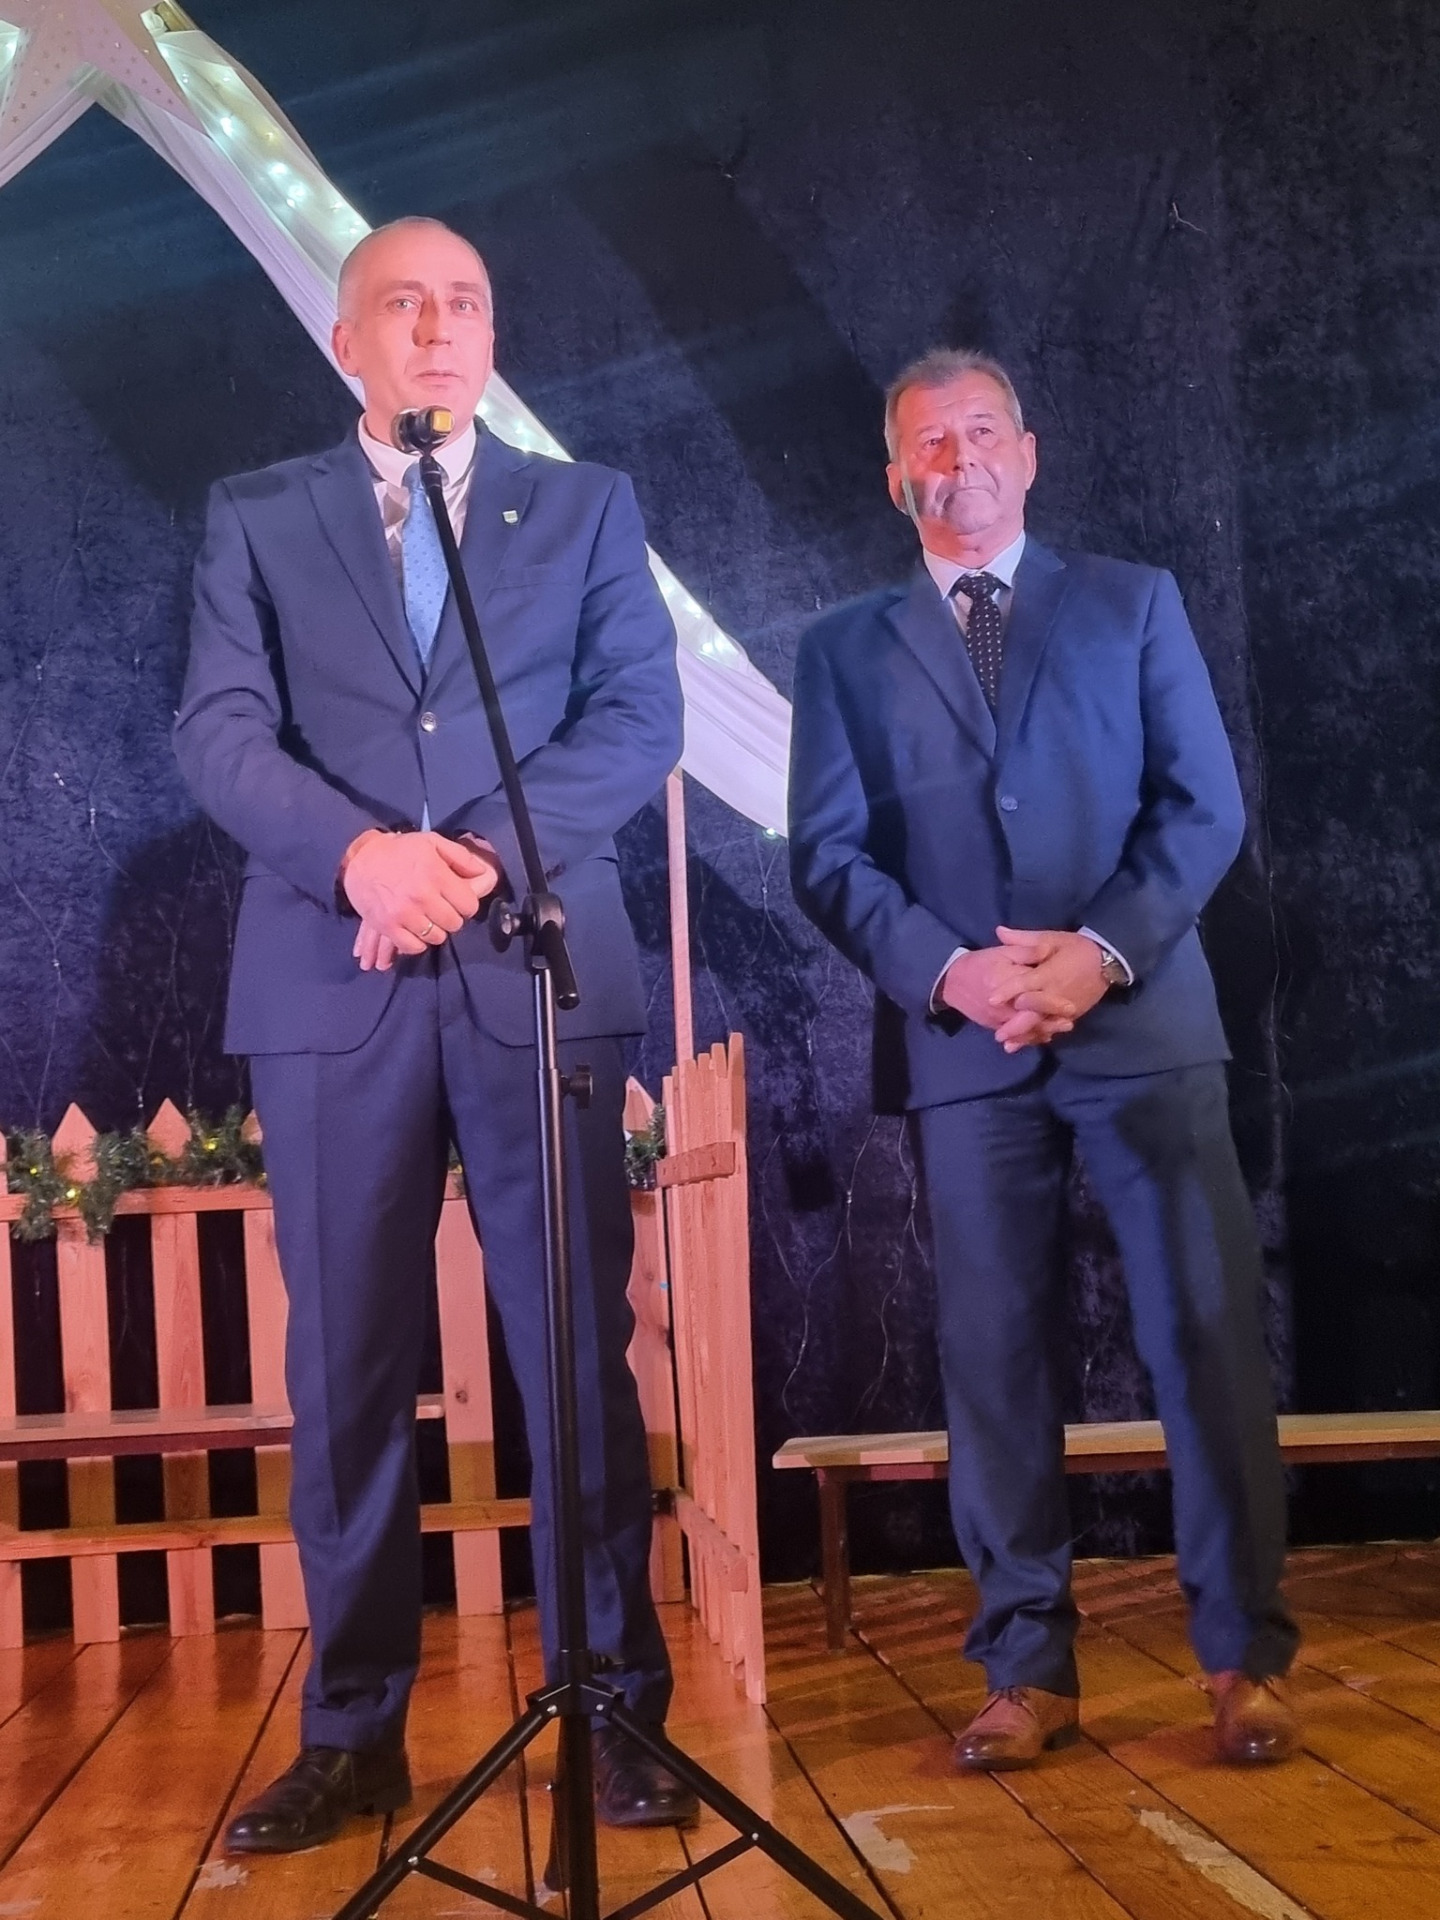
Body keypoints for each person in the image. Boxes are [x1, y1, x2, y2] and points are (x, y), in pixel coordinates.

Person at [175, 216, 697, 1850]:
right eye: (403, 304)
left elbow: (641, 715)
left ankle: (613, 1710)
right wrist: (360, 859)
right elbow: (218, 731)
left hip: (531, 967)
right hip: (332, 977)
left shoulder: (585, 507)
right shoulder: (257, 513)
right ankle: (353, 1737)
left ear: (491, 336)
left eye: (464, 303)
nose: (438, 328)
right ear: (347, 340)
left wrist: (463, 858)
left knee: (574, 1355)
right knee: (344, 1373)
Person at [787, 348, 1299, 1771]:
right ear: (897, 480)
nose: (959, 459)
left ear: (1029, 449)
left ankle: (1245, 1658)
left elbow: (1202, 808)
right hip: (968, 1042)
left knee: (1207, 1339)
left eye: (981, 431)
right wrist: (952, 972)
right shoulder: (841, 648)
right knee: (993, 1357)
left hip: (1142, 1023)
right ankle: (1025, 1668)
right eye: (928, 444)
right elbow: (828, 856)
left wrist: (1099, 953)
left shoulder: (1134, 602)